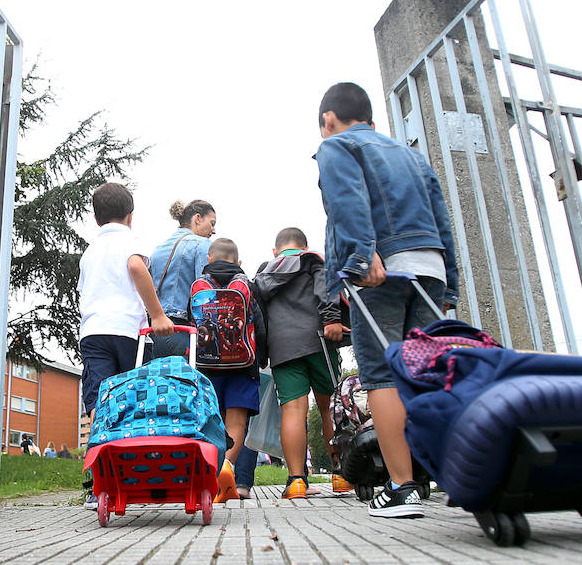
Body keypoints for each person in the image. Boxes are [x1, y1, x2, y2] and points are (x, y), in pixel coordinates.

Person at [314, 82, 458, 519]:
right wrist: (449, 282)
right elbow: (441, 214)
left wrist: (361, 255)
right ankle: (458, 473)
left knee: (382, 374)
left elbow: (347, 202)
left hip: (382, 268)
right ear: (371, 118)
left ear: (328, 120)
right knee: (429, 372)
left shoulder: (338, 146)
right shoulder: (411, 153)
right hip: (430, 265)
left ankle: (402, 488)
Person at [78, 182, 174, 508]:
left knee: (99, 404)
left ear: (96, 218)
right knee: (135, 401)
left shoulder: (90, 252)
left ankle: (99, 484)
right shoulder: (130, 239)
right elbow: (136, 267)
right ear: (130, 216)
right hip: (128, 333)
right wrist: (158, 315)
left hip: (93, 333)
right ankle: (135, 476)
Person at [254, 227, 348, 499]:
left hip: (282, 349)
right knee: (330, 407)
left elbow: (260, 317)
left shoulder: (263, 274)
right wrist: (333, 318)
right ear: (303, 246)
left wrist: (264, 352)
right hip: (319, 340)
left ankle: (296, 481)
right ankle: (340, 475)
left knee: (293, 411)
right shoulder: (312, 260)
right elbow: (326, 290)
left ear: (276, 251)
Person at [193, 238, 265, 503]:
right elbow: (260, 323)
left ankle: (210, 473)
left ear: (209, 259)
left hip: (207, 364)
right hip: (242, 363)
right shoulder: (245, 284)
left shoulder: (200, 285)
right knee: (237, 420)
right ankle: (228, 467)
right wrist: (261, 357)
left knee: (211, 420)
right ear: (239, 262)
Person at [148, 199, 216, 358]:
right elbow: (205, 291)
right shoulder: (202, 244)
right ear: (197, 218)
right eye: (212, 223)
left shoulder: (158, 249)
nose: (213, 230)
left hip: (154, 331)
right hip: (183, 331)